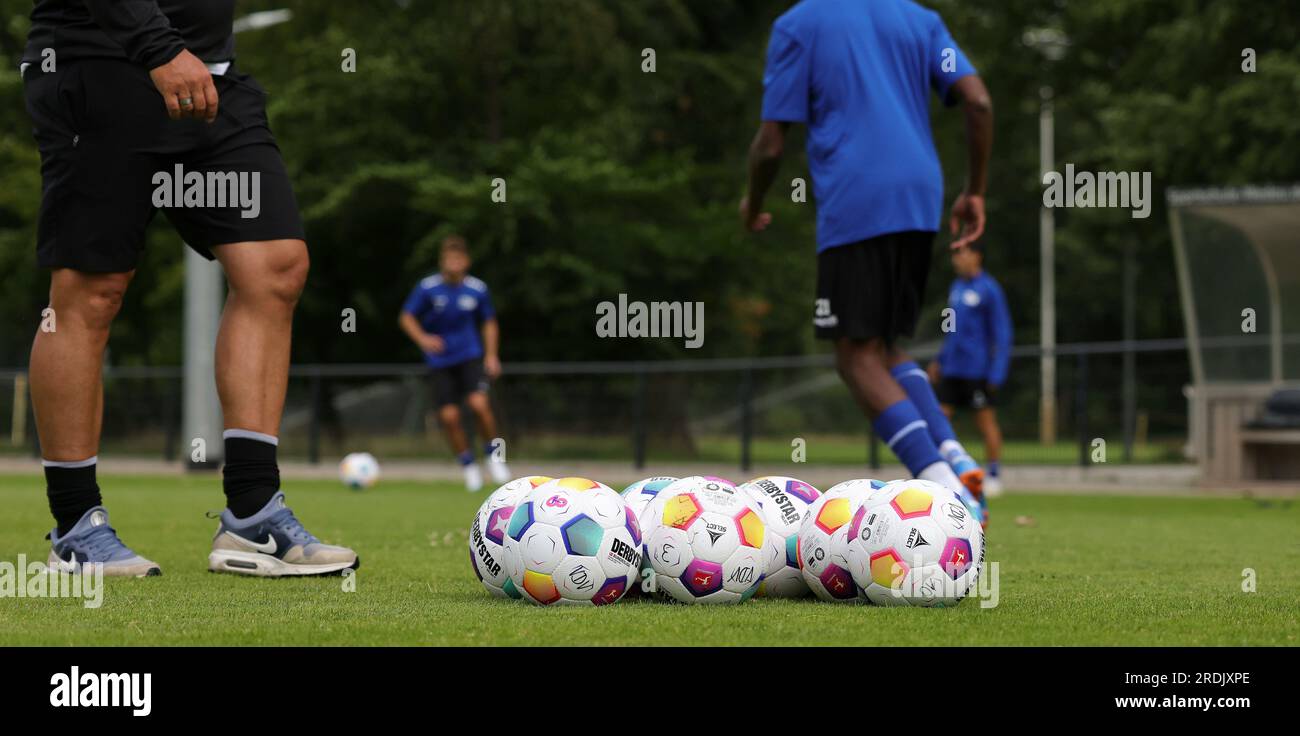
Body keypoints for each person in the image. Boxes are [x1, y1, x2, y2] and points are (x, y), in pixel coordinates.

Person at [21, 0, 358, 576]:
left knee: (274, 266)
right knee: (91, 292)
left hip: (211, 81)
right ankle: (76, 527)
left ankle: (252, 515)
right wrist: (158, 48)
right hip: (99, 67)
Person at [739, 0, 993, 523]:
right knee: (887, 346)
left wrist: (754, 201)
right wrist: (975, 190)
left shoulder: (800, 24)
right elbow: (979, 102)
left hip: (858, 198)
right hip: (921, 196)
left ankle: (942, 485)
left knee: (854, 356)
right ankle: (955, 455)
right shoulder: (919, 20)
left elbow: (769, 144)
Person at [399, 235, 510, 492]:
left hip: (470, 356)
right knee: (449, 417)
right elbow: (406, 317)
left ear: (466, 261)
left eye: (458, 258)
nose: (453, 263)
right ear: (442, 262)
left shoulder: (478, 289)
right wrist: (423, 338)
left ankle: (494, 457)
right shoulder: (427, 288)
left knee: (479, 404)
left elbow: (489, 322)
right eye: (449, 259)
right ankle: (469, 465)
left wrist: (492, 355)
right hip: (440, 362)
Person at [929, 241, 1012, 499]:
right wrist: (939, 360)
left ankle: (994, 475)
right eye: (954, 254)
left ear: (976, 256)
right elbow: (950, 330)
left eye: (961, 253)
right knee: (938, 419)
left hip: (978, 372)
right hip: (952, 369)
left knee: (986, 423)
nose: (956, 259)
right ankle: (938, 473)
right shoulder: (956, 288)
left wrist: (997, 372)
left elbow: (1002, 332)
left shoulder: (989, 289)